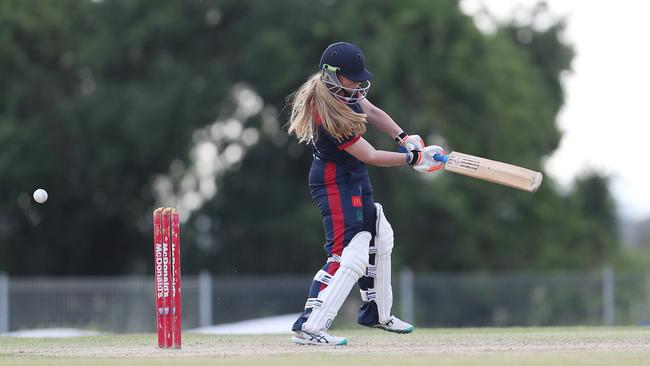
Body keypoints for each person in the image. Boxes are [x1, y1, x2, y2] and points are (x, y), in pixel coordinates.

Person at [286, 41, 445, 346]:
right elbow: (370, 155)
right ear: (331, 75)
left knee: (379, 234)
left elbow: (371, 111)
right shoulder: (327, 113)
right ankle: (309, 326)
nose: (358, 83)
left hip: (354, 176)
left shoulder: (346, 94)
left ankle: (377, 312)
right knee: (348, 251)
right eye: (352, 77)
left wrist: (405, 138)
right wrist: (412, 159)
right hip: (333, 181)